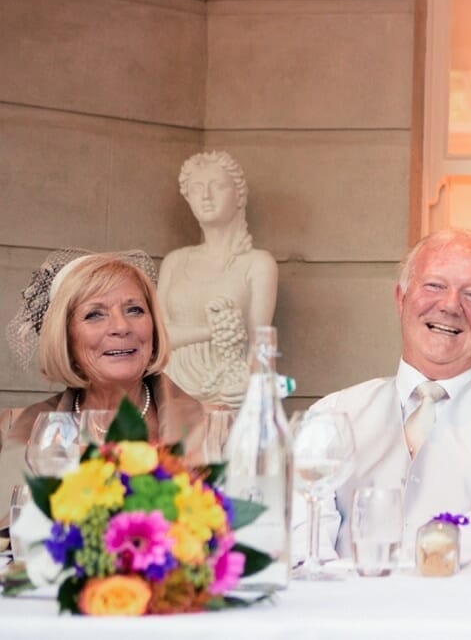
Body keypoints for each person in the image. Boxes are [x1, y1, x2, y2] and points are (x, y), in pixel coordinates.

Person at [293, 228, 471, 566]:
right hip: (344, 611)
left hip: (467, 615)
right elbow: (302, 531)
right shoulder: (332, 413)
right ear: (400, 298)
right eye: (435, 285)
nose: (451, 305)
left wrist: (385, 565)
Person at [0, 251, 209, 513]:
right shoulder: (14, 430)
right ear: (64, 337)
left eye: (134, 310)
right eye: (94, 315)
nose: (121, 326)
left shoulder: (212, 427)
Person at [158, 150, 278, 409]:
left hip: (228, 393)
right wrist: (212, 331)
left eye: (218, 186)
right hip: (171, 390)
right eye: (196, 188)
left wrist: (250, 383)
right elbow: (157, 335)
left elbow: (260, 343)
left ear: (239, 195)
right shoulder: (174, 262)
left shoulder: (258, 264)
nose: (206, 196)